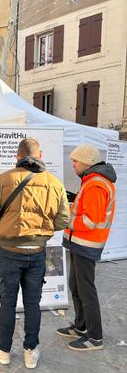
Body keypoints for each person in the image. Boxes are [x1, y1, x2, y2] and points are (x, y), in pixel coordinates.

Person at [0, 138, 70, 369]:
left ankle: (3, 351)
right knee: (33, 303)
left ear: (17, 157)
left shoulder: (3, 179)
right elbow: (63, 221)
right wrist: (41, 229)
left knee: (8, 303)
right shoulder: (54, 183)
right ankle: (31, 352)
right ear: (40, 157)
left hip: (9, 251)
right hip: (38, 252)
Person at [57, 144, 116, 351]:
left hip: (86, 244)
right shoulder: (90, 181)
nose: (72, 165)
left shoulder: (96, 185)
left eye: (75, 161)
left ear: (86, 162)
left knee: (86, 290)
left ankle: (95, 337)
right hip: (79, 243)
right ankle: (81, 326)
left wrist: (63, 220)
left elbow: (91, 221)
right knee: (76, 285)